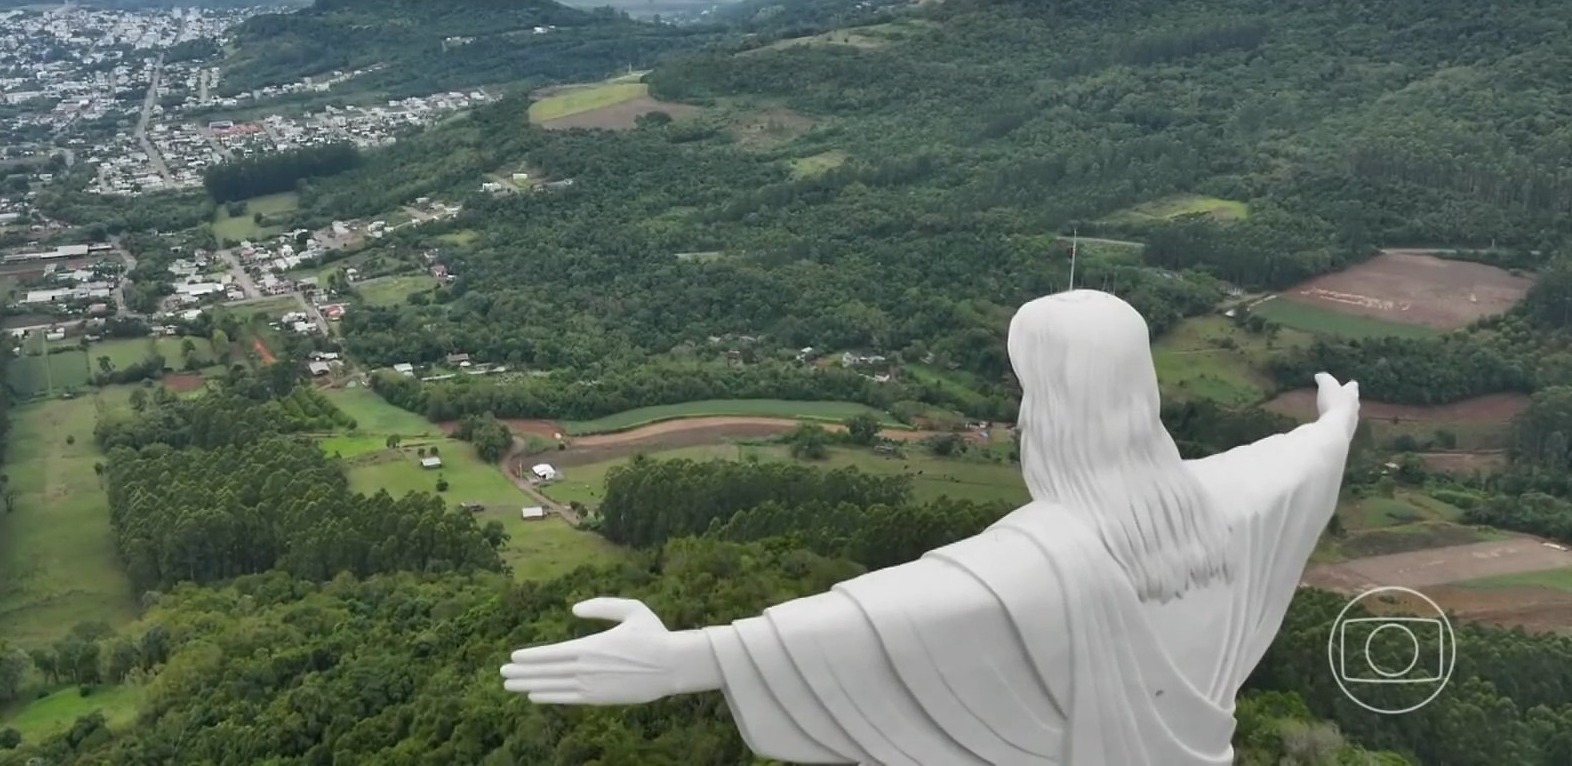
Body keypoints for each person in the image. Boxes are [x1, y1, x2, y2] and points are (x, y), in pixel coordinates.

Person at [500, 289, 1360, 765]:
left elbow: (875, 616)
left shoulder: (1035, 564)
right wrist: (1335, 423)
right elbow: (1301, 463)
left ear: (1047, 406)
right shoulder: (1228, 505)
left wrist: (685, 658)